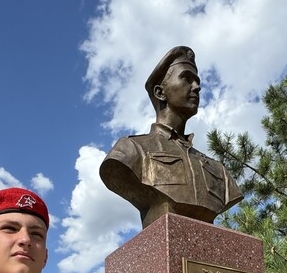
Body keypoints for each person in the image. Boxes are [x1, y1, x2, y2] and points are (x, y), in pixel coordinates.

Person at [100, 45, 243, 228]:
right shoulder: (131, 150)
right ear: (160, 92)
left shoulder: (219, 170)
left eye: (197, 81)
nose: (197, 87)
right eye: (187, 79)